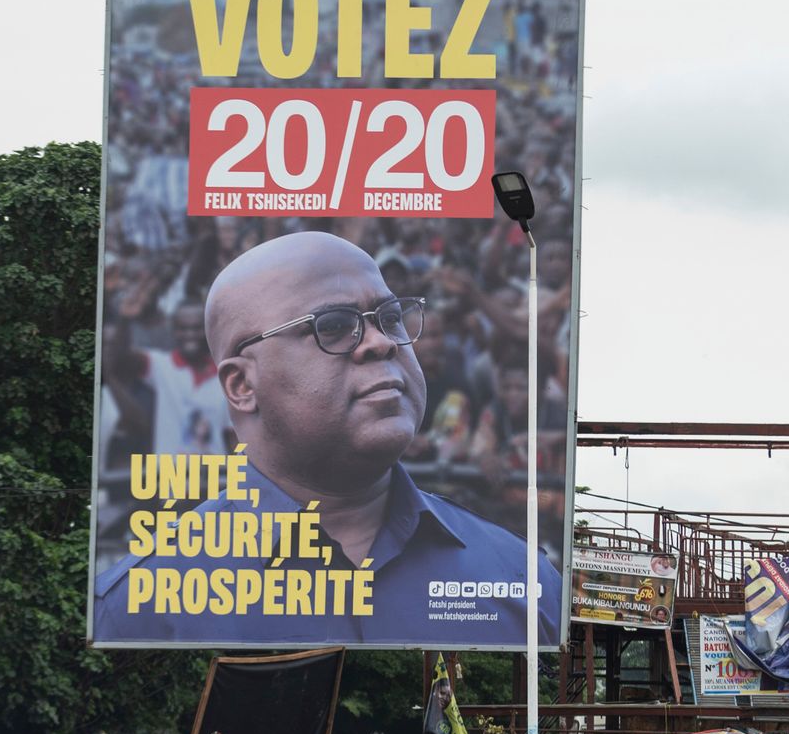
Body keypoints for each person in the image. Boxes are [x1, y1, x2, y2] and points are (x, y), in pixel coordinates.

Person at [92, 231, 565, 645]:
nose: (381, 342)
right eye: (334, 326)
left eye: (390, 316)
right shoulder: (138, 607)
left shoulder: (523, 580)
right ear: (242, 385)